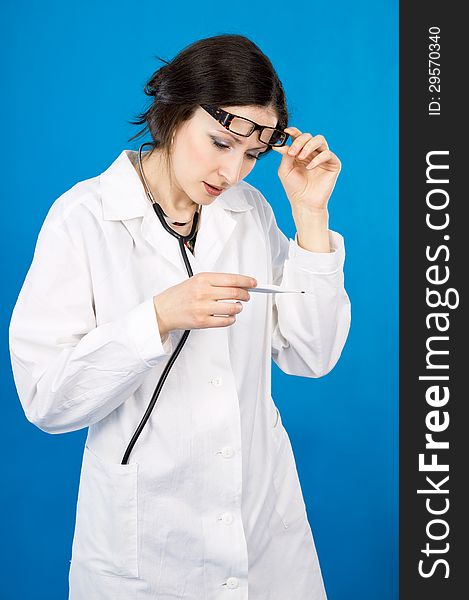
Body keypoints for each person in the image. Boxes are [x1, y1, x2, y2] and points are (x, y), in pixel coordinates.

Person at [9, 33, 351, 600]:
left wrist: (310, 217)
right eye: (219, 143)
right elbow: (47, 400)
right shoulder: (84, 219)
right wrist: (156, 319)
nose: (233, 172)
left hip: (261, 532)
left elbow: (310, 356)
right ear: (172, 115)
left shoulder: (249, 212)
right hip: (148, 548)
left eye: (250, 155)